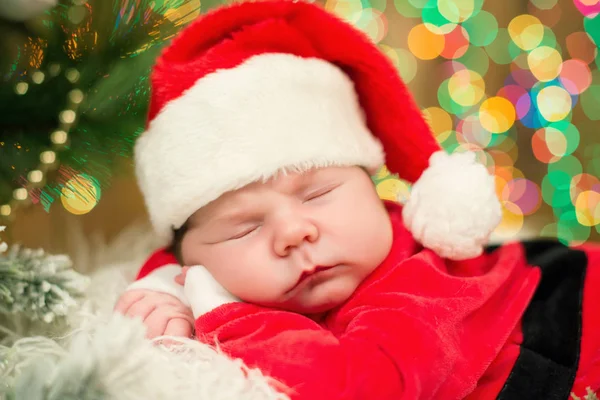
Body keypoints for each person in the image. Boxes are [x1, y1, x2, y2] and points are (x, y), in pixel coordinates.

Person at [114, 1, 600, 398]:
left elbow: (364, 388)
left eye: (319, 193)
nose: (293, 232)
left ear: (374, 191)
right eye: (244, 227)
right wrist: (162, 293)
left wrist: (223, 314)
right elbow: (183, 262)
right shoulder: (203, 265)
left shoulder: (417, 279)